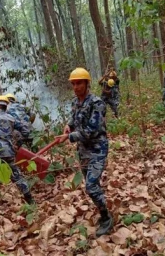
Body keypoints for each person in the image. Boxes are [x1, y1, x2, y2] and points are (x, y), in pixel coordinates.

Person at [55, 67, 113, 237]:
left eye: (79, 83)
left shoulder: (97, 103)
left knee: (90, 186)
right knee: (92, 184)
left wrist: (70, 137)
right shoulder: (75, 102)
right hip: (83, 150)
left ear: (87, 83)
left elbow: (92, 130)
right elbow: (73, 120)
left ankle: (106, 217)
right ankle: (102, 206)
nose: (76, 87)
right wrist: (68, 126)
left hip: (97, 149)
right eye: (73, 84)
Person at [0, 95, 34, 204]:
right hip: (7, 152)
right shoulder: (11, 118)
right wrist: (18, 144)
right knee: (16, 175)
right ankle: (29, 199)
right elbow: (26, 131)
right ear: (6, 106)